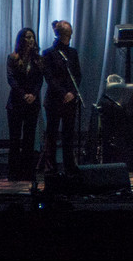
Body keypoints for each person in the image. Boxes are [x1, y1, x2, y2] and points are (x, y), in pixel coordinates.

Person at [41, 20, 82, 174]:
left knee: (68, 135)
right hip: (54, 100)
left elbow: (77, 75)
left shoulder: (72, 53)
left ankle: (69, 166)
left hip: (70, 100)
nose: (69, 38)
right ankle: (51, 168)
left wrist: (72, 93)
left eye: (70, 35)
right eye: (66, 35)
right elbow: (49, 78)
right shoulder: (48, 53)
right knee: (51, 135)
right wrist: (63, 93)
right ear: (59, 35)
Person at [5, 27, 44, 180]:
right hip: (16, 102)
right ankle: (13, 172)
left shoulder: (38, 59)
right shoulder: (13, 58)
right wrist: (23, 95)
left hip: (32, 103)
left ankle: (28, 171)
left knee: (29, 138)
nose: (31, 40)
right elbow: (11, 79)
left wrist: (33, 95)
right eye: (28, 37)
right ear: (21, 40)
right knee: (15, 139)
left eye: (32, 37)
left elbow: (39, 80)